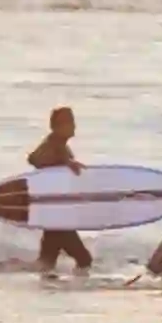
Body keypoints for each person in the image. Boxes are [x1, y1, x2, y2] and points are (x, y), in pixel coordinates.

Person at [23, 104, 98, 276]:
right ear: (57, 127)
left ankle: (50, 292)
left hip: (55, 215)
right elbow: (35, 159)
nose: (74, 126)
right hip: (57, 217)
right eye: (70, 122)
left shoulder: (60, 146)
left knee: (47, 261)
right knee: (84, 259)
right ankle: (76, 287)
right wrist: (65, 162)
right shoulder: (52, 144)